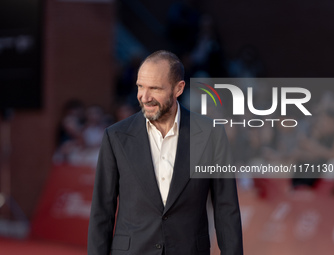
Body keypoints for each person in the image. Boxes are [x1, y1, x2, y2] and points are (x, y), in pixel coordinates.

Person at [87, 50, 243, 255]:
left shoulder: (210, 134)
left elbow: (226, 208)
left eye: (155, 88)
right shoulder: (116, 136)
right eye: (140, 87)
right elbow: (102, 212)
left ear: (178, 89)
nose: (144, 97)